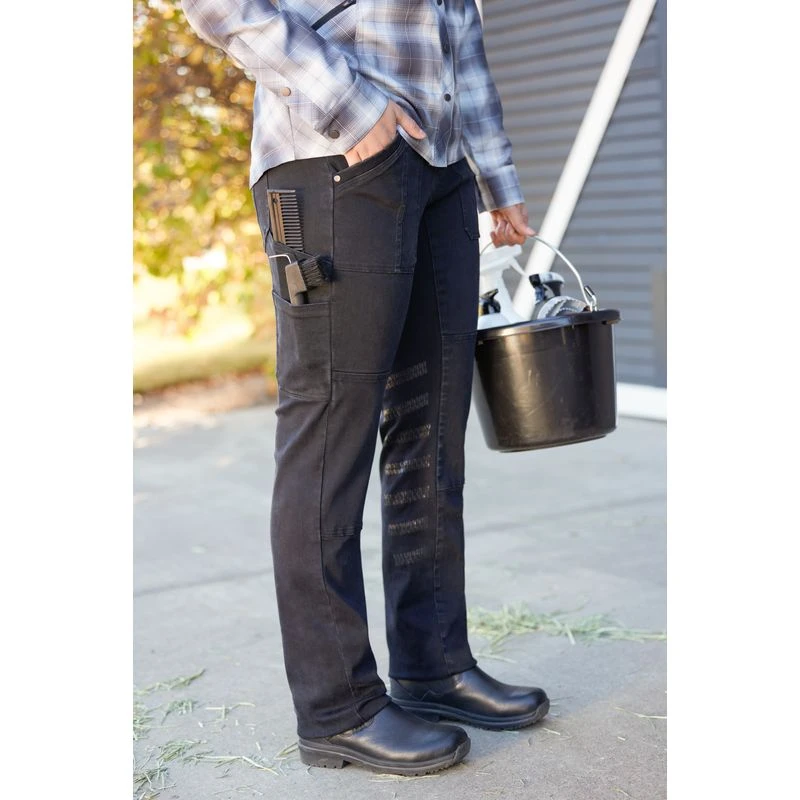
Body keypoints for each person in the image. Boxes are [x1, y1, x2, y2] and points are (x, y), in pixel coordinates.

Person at [181, 0, 549, 776]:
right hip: (334, 156)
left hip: (442, 169)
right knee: (328, 436)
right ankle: (336, 706)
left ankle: (434, 665)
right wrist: (351, 105)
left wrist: (495, 173)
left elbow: (461, 32)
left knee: (431, 430)